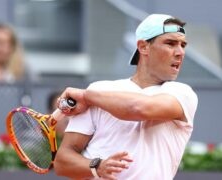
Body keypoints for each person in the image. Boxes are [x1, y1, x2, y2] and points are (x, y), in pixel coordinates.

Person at [54, 14, 198, 180]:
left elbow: (138, 109)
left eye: (183, 45)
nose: (180, 52)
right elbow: (62, 162)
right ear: (143, 47)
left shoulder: (182, 93)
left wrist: (86, 96)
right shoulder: (98, 90)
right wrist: (97, 166)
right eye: (170, 43)